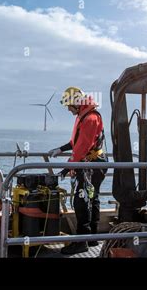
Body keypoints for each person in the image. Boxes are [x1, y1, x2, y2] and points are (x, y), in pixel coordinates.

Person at [48, 87, 107, 255]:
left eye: (68, 105)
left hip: (91, 165)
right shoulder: (85, 115)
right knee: (91, 198)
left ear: (76, 102)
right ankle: (91, 237)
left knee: (82, 202)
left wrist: (67, 168)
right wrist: (61, 149)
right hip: (93, 164)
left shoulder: (90, 118)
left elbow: (82, 148)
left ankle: (81, 243)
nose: (68, 109)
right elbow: (76, 142)